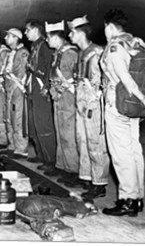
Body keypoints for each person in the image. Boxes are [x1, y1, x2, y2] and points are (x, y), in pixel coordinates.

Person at [100, 9, 145, 217]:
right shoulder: (135, 42)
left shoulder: (115, 47)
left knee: (121, 154)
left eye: (106, 27)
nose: (104, 31)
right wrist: (141, 100)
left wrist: (143, 98)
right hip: (132, 107)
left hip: (118, 105)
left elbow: (124, 77)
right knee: (134, 150)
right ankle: (138, 197)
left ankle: (127, 200)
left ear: (111, 27)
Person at [68, 16, 110, 199]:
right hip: (81, 102)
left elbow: (106, 79)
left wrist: (98, 96)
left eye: (71, 32)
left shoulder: (97, 52)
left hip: (93, 104)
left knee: (95, 144)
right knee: (82, 141)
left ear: (80, 33)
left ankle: (99, 183)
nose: (69, 36)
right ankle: (86, 177)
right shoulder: (81, 53)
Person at [46, 20, 79, 184]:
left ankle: (73, 170)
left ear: (56, 37)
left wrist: (61, 90)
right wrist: (54, 91)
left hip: (68, 100)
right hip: (59, 98)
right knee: (60, 133)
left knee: (69, 136)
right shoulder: (58, 54)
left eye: (48, 37)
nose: (47, 40)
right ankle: (62, 165)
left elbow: (75, 78)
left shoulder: (70, 54)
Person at [24, 19, 57, 175]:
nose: (25, 33)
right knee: (34, 124)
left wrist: (47, 86)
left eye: (28, 30)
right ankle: (41, 155)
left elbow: (50, 68)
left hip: (41, 90)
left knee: (44, 125)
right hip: (33, 89)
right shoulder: (35, 46)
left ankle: (50, 160)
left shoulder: (44, 46)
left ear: (35, 30)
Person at [4, 28, 30, 159]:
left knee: (17, 117)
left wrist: (17, 85)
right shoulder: (12, 52)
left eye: (8, 36)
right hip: (10, 87)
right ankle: (12, 145)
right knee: (9, 116)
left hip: (17, 88)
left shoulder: (23, 52)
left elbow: (23, 72)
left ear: (15, 38)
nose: (5, 38)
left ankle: (21, 148)